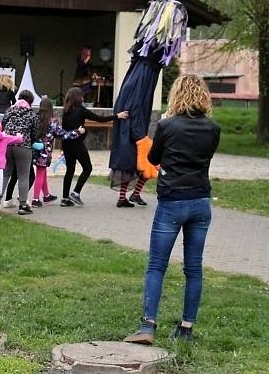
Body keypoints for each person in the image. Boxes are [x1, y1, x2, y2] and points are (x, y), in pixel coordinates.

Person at [124, 74, 220, 345]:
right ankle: (186, 328)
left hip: (172, 200)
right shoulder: (213, 128)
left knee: (156, 265)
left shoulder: (167, 125)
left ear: (176, 94)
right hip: (201, 200)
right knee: (194, 268)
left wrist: (166, 122)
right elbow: (205, 156)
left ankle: (147, 327)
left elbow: (153, 159)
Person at [59, 86, 128, 207]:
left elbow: (64, 129)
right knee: (88, 168)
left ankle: (65, 198)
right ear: (78, 97)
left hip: (66, 144)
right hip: (77, 144)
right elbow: (100, 119)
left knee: (69, 170)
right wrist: (117, 116)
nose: (83, 97)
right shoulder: (81, 110)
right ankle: (75, 193)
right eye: (81, 95)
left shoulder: (65, 111)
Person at [31, 97, 83, 207]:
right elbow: (64, 134)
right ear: (51, 108)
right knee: (40, 173)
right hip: (45, 152)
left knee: (42, 171)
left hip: (34, 150)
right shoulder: (53, 122)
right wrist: (78, 131)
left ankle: (46, 195)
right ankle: (35, 199)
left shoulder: (34, 118)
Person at [0, 91, 41, 215]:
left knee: (6, 174)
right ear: (30, 102)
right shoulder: (31, 114)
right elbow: (35, 132)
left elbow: (3, 125)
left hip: (7, 145)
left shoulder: (9, 110)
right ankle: (22, 206)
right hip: (24, 146)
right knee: (23, 176)